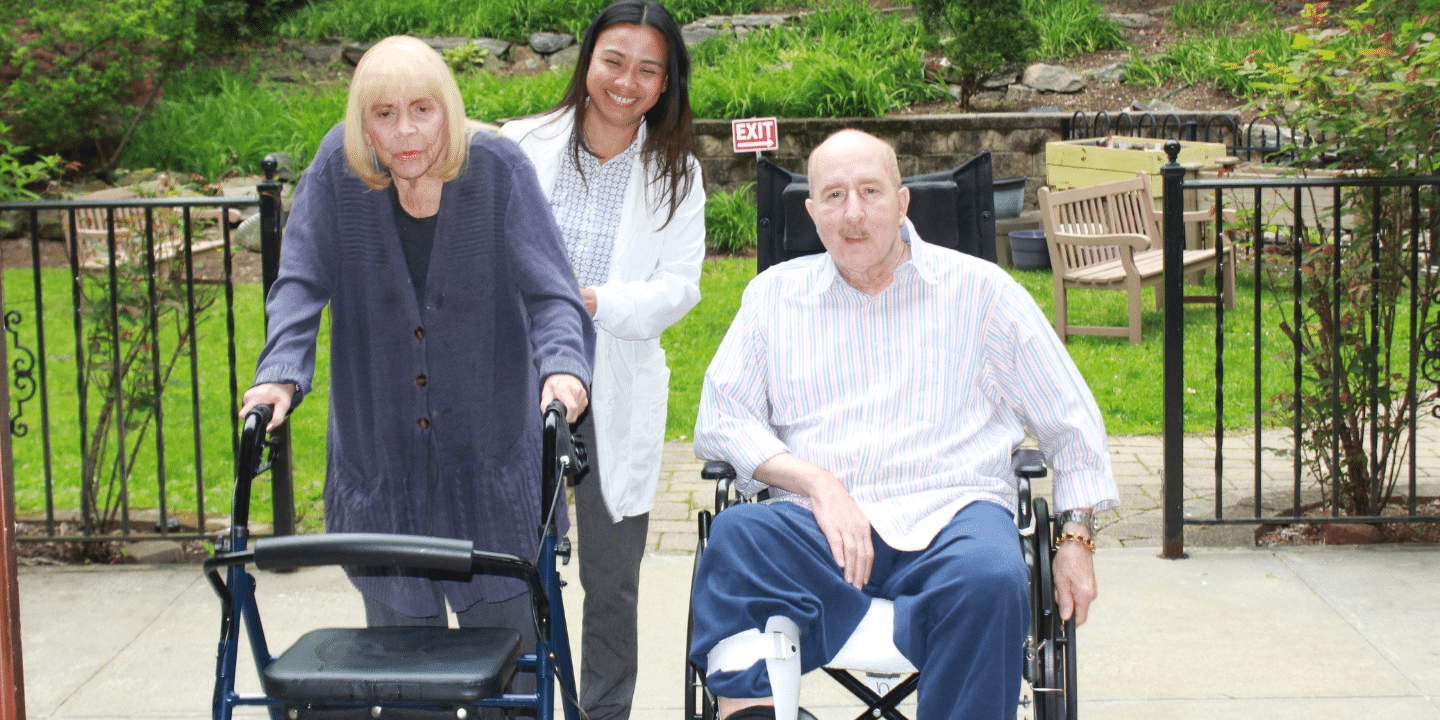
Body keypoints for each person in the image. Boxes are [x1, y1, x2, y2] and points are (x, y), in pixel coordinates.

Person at [686, 129, 1120, 720]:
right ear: (811, 212)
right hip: (816, 527)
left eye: (870, 191)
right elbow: (721, 416)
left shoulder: (982, 292)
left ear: (903, 201)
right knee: (736, 541)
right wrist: (819, 485)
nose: (854, 213)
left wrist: (1075, 538)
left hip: (952, 515)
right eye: (834, 196)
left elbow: (1072, 422)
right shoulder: (772, 298)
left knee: (993, 578)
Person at [240, 36, 594, 642]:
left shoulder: (497, 170)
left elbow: (552, 293)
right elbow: (299, 283)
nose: (405, 131)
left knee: (507, 674)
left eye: (422, 110)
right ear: (363, 123)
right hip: (384, 469)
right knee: (405, 680)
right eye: (384, 114)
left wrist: (563, 369)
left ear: (448, 111)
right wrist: (277, 374)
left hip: (490, 472)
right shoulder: (337, 170)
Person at [500, 3, 705, 720]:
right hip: (515, 383)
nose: (627, 81)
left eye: (649, 69)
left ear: (666, 81)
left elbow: (680, 287)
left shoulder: (677, 173)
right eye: (614, 61)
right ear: (587, 61)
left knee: (611, 580)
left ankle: (603, 712)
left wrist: (590, 300)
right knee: (514, 568)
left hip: (612, 386)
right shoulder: (519, 145)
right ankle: (520, 703)